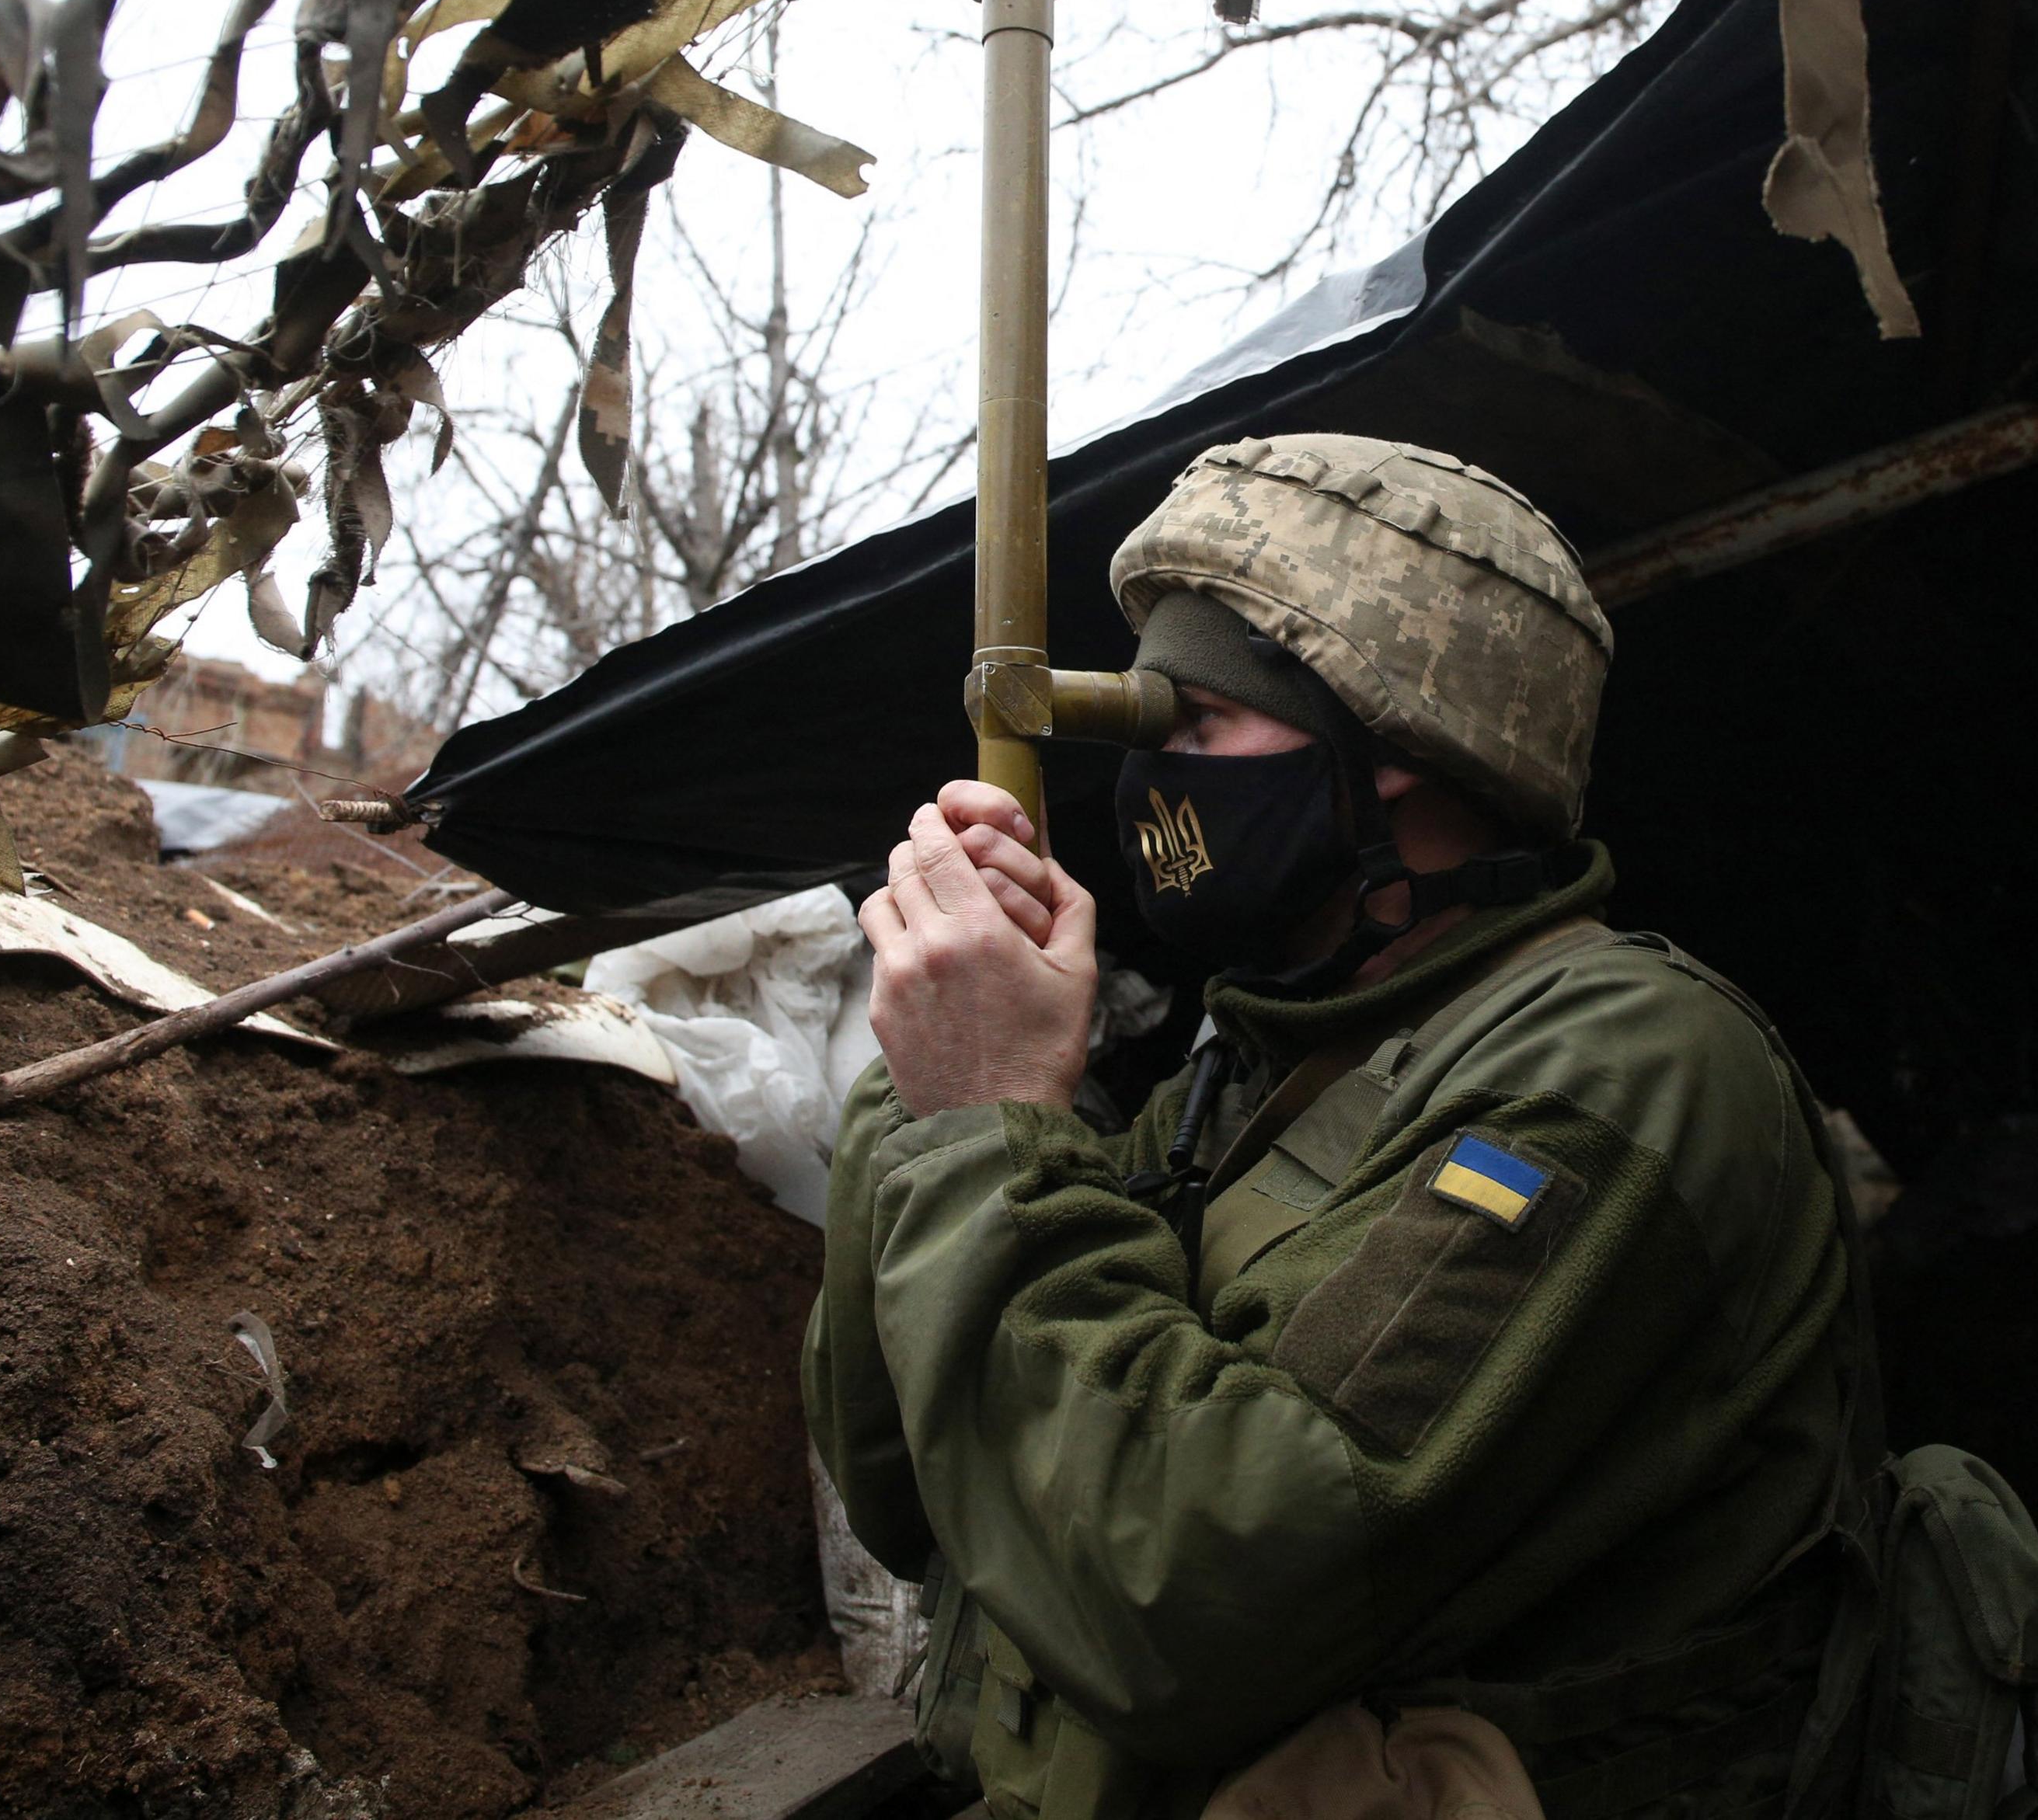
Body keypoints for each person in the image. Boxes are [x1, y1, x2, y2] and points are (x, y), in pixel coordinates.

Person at [802, 435, 1878, 1820]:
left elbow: (1188, 1609)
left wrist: (990, 1121)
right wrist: (928, 1078)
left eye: (1194, 728)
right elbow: (915, 1487)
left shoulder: (1619, 1065)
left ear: (1400, 745)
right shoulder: (1251, 1066)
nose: (1153, 788)